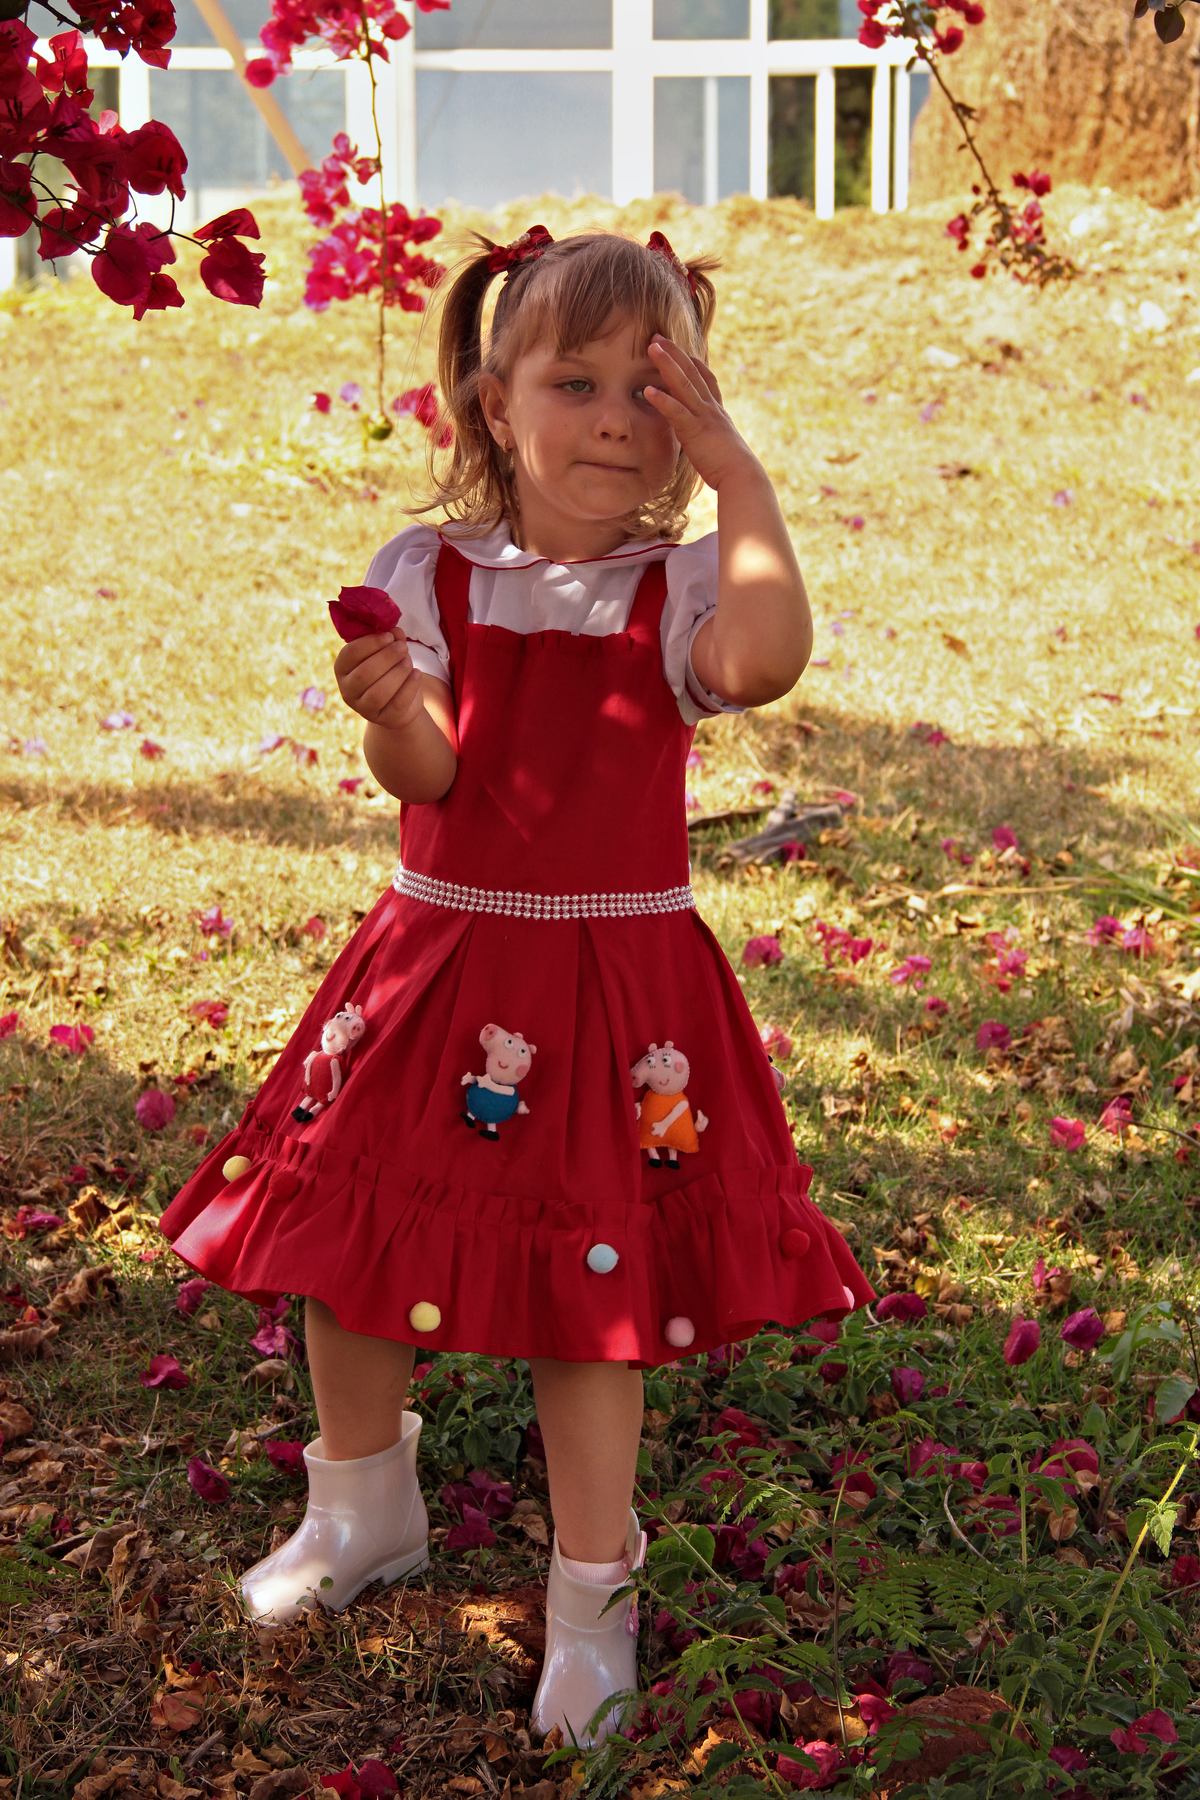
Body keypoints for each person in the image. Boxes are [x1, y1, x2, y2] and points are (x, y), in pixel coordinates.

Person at [160, 224, 874, 1746]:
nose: (620, 417)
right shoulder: (426, 570)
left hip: (615, 984)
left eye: (656, 385)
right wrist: (384, 707)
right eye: (577, 381)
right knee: (353, 1238)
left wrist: (742, 479)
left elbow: (764, 663)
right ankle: (362, 1508)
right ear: (495, 401)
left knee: (591, 1288)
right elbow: (430, 771)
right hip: (442, 958)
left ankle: (592, 1598)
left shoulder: (675, 590)